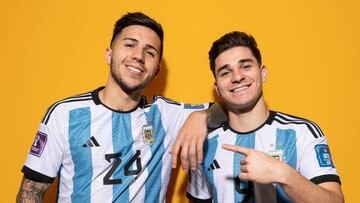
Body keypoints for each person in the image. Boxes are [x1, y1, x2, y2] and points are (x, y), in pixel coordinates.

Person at [16, 12, 217, 203]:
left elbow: (235, 107)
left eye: (150, 52)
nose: (139, 56)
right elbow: (31, 192)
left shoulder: (165, 115)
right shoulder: (65, 115)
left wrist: (202, 116)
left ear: (157, 70)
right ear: (109, 55)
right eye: (130, 45)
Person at [183, 31, 344, 202]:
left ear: (263, 73)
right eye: (225, 73)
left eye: (245, 66)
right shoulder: (204, 143)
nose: (237, 77)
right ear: (217, 88)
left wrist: (283, 175)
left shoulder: (301, 132)